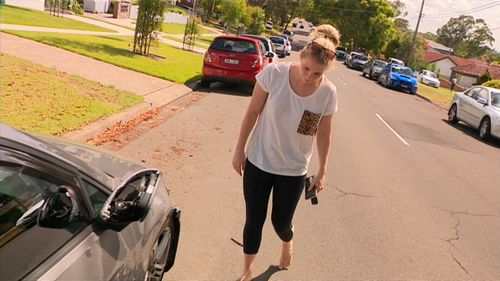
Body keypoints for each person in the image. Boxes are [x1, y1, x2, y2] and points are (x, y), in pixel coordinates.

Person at [232, 24, 340, 281]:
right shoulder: (274, 74)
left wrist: (322, 170)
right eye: (307, 69)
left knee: (280, 223)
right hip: (259, 162)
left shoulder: (327, 93)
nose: (310, 77)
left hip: (293, 171)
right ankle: (247, 273)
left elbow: (322, 134)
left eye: (318, 73)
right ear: (301, 56)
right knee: (254, 220)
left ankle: (287, 240)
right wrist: (240, 149)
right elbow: (252, 112)